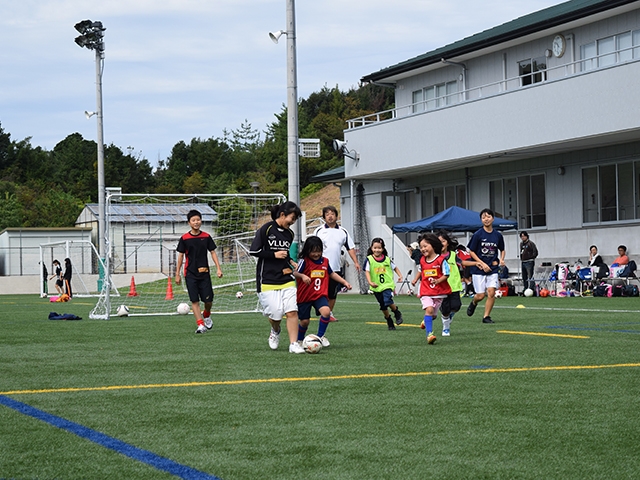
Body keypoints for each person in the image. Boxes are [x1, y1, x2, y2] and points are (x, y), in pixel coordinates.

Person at [250, 201, 305, 354]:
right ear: (282, 214)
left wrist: (291, 262)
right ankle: (275, 330)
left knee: (292, 311)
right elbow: (254, 251)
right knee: (276, 314)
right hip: (267, 279)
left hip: (286, 278)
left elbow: (284, 254)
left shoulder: (290, 234)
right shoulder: (266, 229)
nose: (292, 222)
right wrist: (273, 255)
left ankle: (293, 344)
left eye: (295, 220)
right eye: (292, 218)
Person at [295, 236, 352, 348]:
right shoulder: (304, 261)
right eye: (313, 252)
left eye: (318, 251)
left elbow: (332, 273)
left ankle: (320, 336)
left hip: (319, 295)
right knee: (305, 322)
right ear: (307, 251)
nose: (316, 254)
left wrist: (345, 282)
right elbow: (295, 273)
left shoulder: (325, 261)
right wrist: (302, 276)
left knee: (326, 312)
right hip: (304, 296)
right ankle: (299, 340)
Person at [175, 209, 223, 334]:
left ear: (201, 221)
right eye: (193, 220)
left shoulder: (206, 237)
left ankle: (206, 314)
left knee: (208, 300)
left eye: (198, 220)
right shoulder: (184, 238)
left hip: (204, 274)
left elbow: (212, 252)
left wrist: (218, 268)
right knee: (194, 300)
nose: (196, 222)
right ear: (189, 223)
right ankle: (200, 325)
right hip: (190, 274)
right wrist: (177, 274)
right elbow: (180, 256)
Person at [313, 206, 361, 321]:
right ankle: (320, 309)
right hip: (320, 267)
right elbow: (311, 247)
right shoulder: (319, 231)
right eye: (327, 214)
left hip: (335, 268)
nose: (330, 216)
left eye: (332, 214)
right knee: (319, 291)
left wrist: (356, 262)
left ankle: (328, 314)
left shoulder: (343, 231)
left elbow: (350, 247)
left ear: (336, 216)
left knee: (333, 293)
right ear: (324, 217)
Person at [466, 208, 505, 324]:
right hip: (478, 269)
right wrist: (481, 263)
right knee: (480, 295)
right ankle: (474, 302)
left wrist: (502, 260)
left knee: (491, 292)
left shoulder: (497, 235)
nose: (486, 219)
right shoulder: (478, 235)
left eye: (488, 217)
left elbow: (502, 249)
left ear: (493, 218)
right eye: (483, 217)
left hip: (492, 268)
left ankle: (486, 316)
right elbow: (471, 251)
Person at [411, 233, 451, 345]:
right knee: (429, 309)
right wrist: (415, 279)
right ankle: (430, 335)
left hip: (438, 292)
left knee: (433, 314)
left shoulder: (441, 260)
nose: (423, 249)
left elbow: (446, 274)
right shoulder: (422, 260)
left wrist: (438, 281)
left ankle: (426, 320)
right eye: (421, 247)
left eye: (425, 246)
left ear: (433, 245)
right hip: (425, 291)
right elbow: (421, 270)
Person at [364, 237, 403, 330]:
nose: (377, 250)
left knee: (388, 300)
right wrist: (370, 282)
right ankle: (389, 319)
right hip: (377, 286)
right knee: (383, 305)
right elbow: (367, 271)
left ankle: (396, 312)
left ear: (383, 249)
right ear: (371, 248)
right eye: (375, 248)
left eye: (379, 248)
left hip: (387, 285)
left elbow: (395, 267)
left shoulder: (387, 259)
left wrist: (400, 275)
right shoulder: (369, 259)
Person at [435, 230, 464, 337]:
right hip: (442, 287)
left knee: (457, 306)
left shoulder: (453, 255)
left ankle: (449, 316)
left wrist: (476, 263)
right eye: (439, 242)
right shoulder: (435, 257)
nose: (441, 244)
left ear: (447, 242)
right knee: (445, 310)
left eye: (443, 241)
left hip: (454, 286)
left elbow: (462, 262)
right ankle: (446, 328)